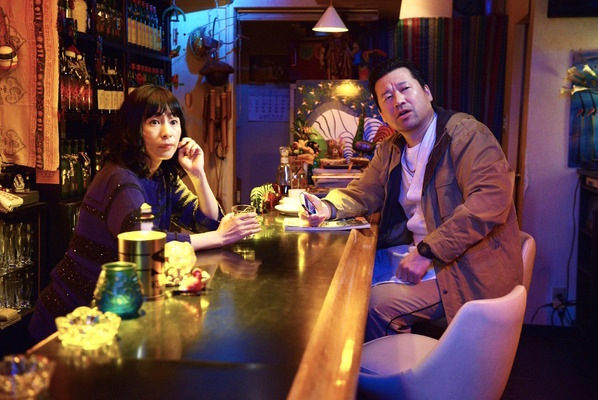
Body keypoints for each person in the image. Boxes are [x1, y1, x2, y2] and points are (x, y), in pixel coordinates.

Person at [301, 58, 523, 342]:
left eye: (405, 89)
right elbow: (365, 191)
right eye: (387, 97)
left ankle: (383, 370)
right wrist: (328, 206)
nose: (399, 100)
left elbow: (490, 202)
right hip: (420, 253)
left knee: (372, 306)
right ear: (383, 114)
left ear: (427, 92)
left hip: (462, 267)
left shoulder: (466, 135)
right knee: (344, 281)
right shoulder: (391, 149)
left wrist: (427, 251)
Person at [29, 85, 261, 342]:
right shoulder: (119, 177)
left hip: (113, 308)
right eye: (154, 122)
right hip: (71, 314)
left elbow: (205, 223)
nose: (167, 132)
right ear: (133, 129)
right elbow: (144, 242)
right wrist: (220, 237)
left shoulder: (161, 175)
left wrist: (198, 175)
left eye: (173, 121)